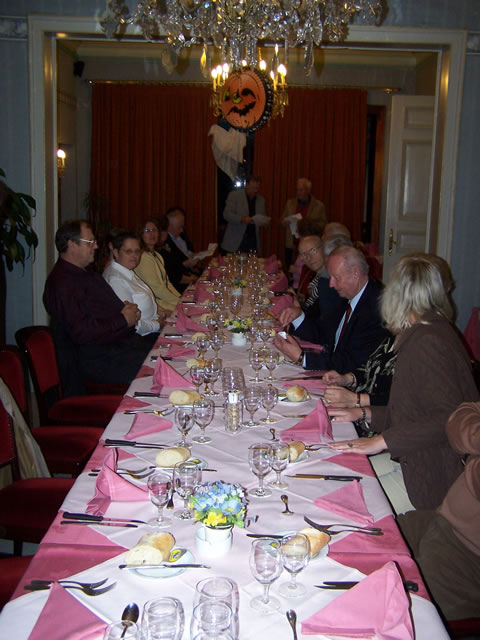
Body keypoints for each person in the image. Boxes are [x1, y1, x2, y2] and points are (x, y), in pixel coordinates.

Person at [328, 254, 479, 510]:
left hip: (435, 473)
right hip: (415, 457)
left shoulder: (428, 341)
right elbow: (412, 410)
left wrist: (380, 441)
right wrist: (362, 413)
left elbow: (448, 418)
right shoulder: (425, 330)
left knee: (345, 497)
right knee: (339, 470)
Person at [397, 401, 480, 621]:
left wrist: (471, 458)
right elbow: (459, 415)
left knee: (398, 610)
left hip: (466, 557)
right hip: (441, 519)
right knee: (364, 540)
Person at [43, 219, 151, 386]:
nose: (96, 246)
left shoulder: (85, 273)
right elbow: (82, 333)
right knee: (160, 369)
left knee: (165, 353)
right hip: (95, 359)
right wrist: (122, 319)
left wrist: (125, 310)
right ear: (72, 245)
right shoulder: (62, 284)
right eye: (90, 242)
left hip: (117, 346)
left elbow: (104, 308)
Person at [274, 245, 389, 373]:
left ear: (355, 273)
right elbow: (322, 333)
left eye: (337, 278)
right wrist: (298, 316)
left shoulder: (376, 309)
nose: (331, 284)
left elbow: (352, 362)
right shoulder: (348, 296)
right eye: (330, 277)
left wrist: (302, 358)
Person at [103, 231, 165, 344]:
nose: (134, 255)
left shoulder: (126, 271)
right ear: (116, 252)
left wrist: (161, 312)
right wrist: (158, 325)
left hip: (152, 331)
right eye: (129, 251)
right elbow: (131, 324)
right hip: (139, 340)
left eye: (137, 251)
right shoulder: (116, 280)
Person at [134, 217, 181, 312]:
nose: (152, 234)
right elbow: (157, 289)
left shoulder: (157, 255)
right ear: (141, 234)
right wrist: (179, 302)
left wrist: (180, 297)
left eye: (154, 230)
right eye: (147, 231)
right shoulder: (143, 257)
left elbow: (167, 284)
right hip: (155, 304)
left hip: (163, 300)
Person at [281, 178, 327, 268]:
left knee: (305, 270)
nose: (298, 193)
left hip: (309, 245)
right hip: (291, 244)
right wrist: (284, 222)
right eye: (297, 190)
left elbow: (323, 225)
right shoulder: (290, 203)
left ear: (308, 191)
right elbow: (282, 219)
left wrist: (307, 223)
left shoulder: (319, 206)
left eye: (301, 190)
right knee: (289, 267)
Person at [221, 176, 269, 254]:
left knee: (252, 261)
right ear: (246, 185)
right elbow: (227, 214)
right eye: (253, 188)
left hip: (252, 240)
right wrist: (241, 219)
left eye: (257, 188)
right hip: (235, 241)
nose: (255, 191)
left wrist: (265, 223)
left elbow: (263, 217)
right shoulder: (234, 195)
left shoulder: (261, 200)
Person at [161, 209, 199, 292]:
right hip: (177, 284)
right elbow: (171, 273)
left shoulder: (182, 236)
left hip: (186, 275)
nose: (182, 230)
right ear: (169, 226)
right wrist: (186, 267)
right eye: (179, 227)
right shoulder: (164, 244)